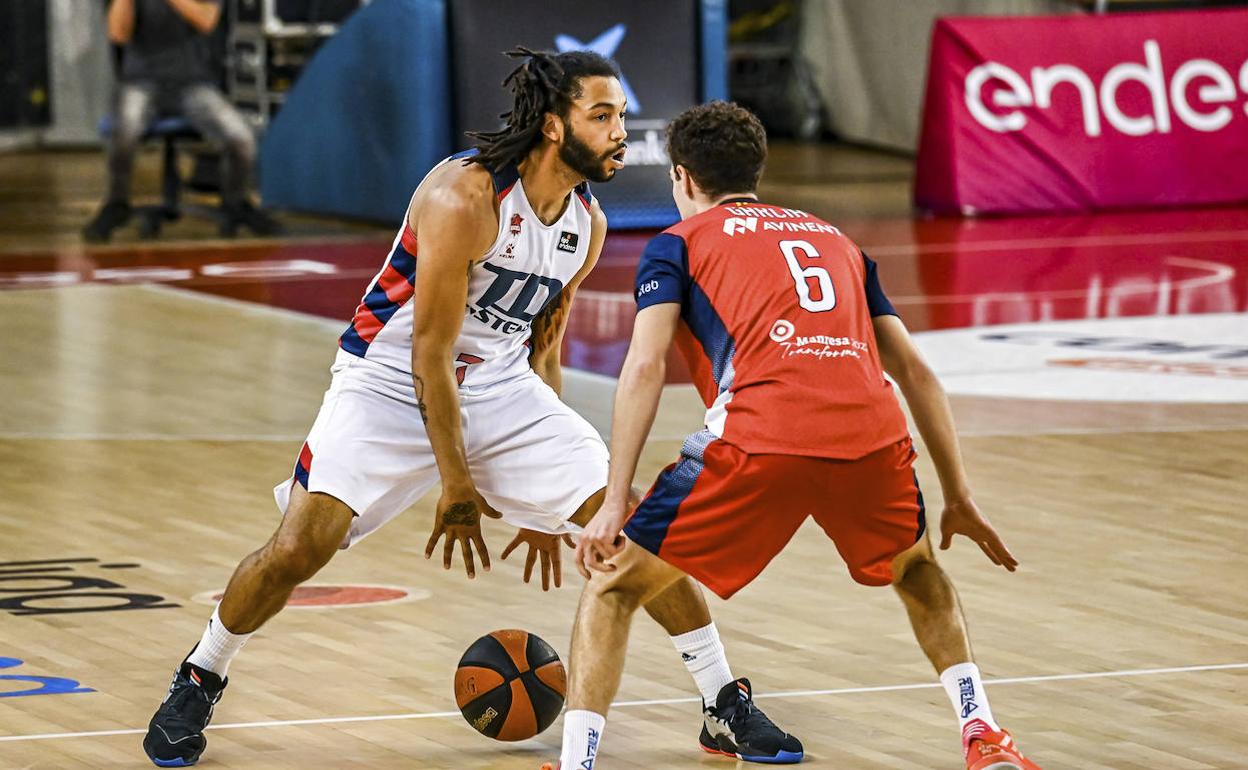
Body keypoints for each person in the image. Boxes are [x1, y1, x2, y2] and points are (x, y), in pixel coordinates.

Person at [142, 51, 798, 768]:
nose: (621, 131)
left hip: (501, 388)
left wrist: (551, 507)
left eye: (619, 115)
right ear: (554, 125)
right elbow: (429, 353)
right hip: (388, 384)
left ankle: (721, 702)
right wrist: (458, 485)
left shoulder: (586, 222)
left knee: (633, 527)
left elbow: (542, 345)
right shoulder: (464, 197)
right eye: (603, 115)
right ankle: (201, 674)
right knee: (301, 547)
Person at [544, 101, 1044, 770]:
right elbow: (917, 372)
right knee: (919, 571)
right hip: (871, 435)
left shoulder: (678, 244)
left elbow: (642, 367)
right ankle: (982, 730)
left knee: (614, 586)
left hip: (758, 437)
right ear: (757, 168)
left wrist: (612, 501)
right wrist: (958, 492)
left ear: (683, 177)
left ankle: (578, 764)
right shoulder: (836, 240)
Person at [84, 0, 279, 242]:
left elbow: (207, 21)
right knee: (124, 130)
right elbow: (118, 34)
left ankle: (236, 201)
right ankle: (116, 204)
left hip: (192, 83)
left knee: (241, 137)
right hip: (141, 80)